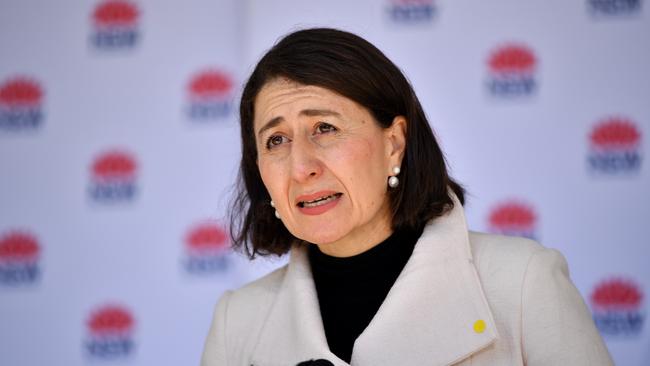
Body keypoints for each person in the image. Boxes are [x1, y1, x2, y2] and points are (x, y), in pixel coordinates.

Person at [201, 28, 613, 366]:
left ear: (394, 143)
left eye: (324, 128)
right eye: (276, 140)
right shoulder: (236, 322)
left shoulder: (523, 284)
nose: (300, 166)